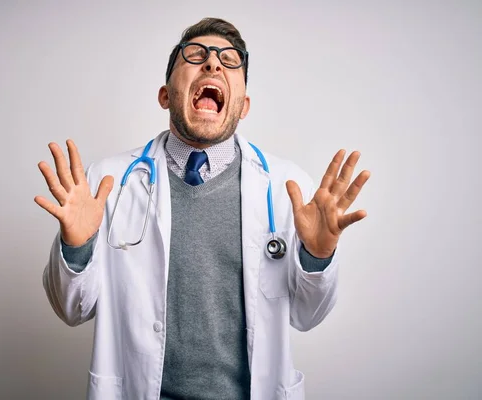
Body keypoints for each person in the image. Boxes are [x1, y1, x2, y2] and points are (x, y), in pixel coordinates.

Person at [35, 17, 369, 400]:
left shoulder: (287, 188)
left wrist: (317, 257)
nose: (213, 64)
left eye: (230, 60)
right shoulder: (108, 182)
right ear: (165, 95)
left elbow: (307, 316)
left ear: (243, 106)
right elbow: (70, 309)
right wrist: (75, 249)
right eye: (195, 56)